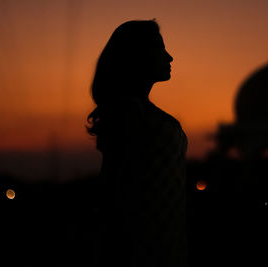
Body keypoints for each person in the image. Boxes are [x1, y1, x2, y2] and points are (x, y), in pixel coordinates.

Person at [87, 20, 188, 267]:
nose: (170, 57)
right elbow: (118, 183)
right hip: (143, 245)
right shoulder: (129, 112)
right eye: (160, 49)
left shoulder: (138, 110)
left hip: (163, 237)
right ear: (137, 56)